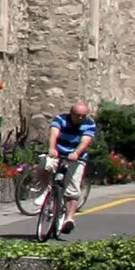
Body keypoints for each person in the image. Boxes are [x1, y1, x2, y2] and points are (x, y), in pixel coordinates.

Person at [46, 99, 98, 233]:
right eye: (77, 115)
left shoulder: (89, 124)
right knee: (45, 165)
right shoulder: (60, 119)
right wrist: (52, 148)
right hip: (57, 154)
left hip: (76, 157)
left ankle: (69, 219)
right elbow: (54, 134)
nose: (80, 118)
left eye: (83, 116)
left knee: (72, 190)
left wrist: (76, 153)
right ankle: (44, 193)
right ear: (71, 113)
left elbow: (85, 141)